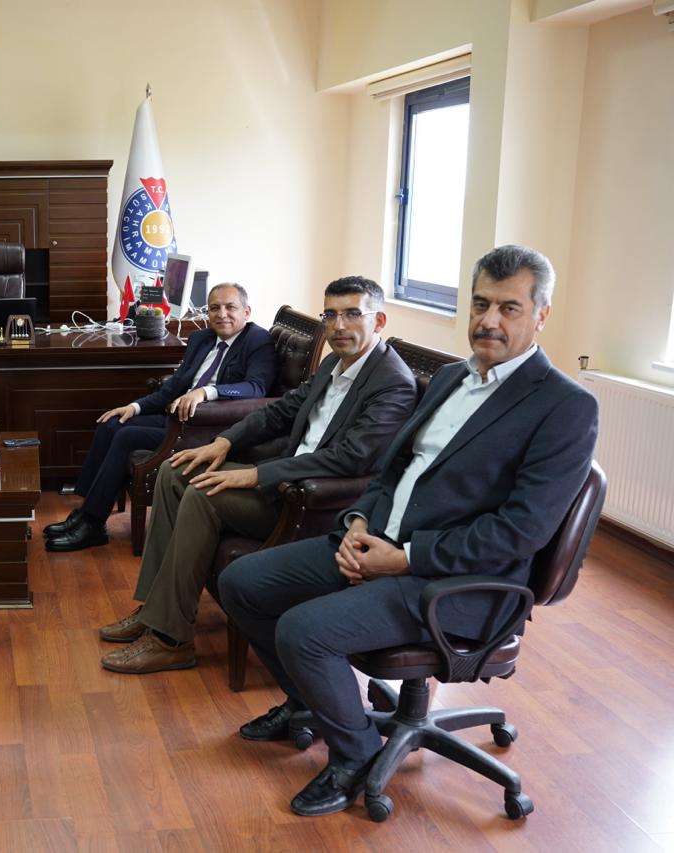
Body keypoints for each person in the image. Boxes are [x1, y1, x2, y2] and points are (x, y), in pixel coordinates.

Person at [218, 245, 599, 817]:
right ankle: (308, 706)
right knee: (241, 582)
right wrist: (357, 523)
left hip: (456, 583)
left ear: (541, 315)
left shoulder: (565, 406)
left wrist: (403, 558)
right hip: (379, 543)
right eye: (481, 304)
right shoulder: (448, 377)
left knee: (303, 630)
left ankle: (355, 755)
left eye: (510, 308)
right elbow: (393, 470)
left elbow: (519, 533)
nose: (489, 320)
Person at [99, 277, 417, 674]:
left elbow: (349, 460)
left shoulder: (392, 384)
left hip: (315, 503)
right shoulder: (335, 363)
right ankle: (154, 610)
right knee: (174, 469)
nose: (338, 325)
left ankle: (171, 639)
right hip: (283, 479)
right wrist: (225, 442)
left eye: (352, 314)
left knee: (202, 493)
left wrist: (255, 475)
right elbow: (281, 410)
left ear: (378, 320)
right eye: (331, 314)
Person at [45, 282, 278, 552]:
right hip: (177, 419)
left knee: (127, 436)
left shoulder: (258, 340)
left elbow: (255, 388)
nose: (221, 314)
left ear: (247, 311)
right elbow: (174, 386)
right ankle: (86, 512)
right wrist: (134, 407)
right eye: (214, 308)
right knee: (112, 423)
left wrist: (206, 392)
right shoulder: (202, 339)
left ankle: (93, 523)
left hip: (207, 431)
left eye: (230, 307)